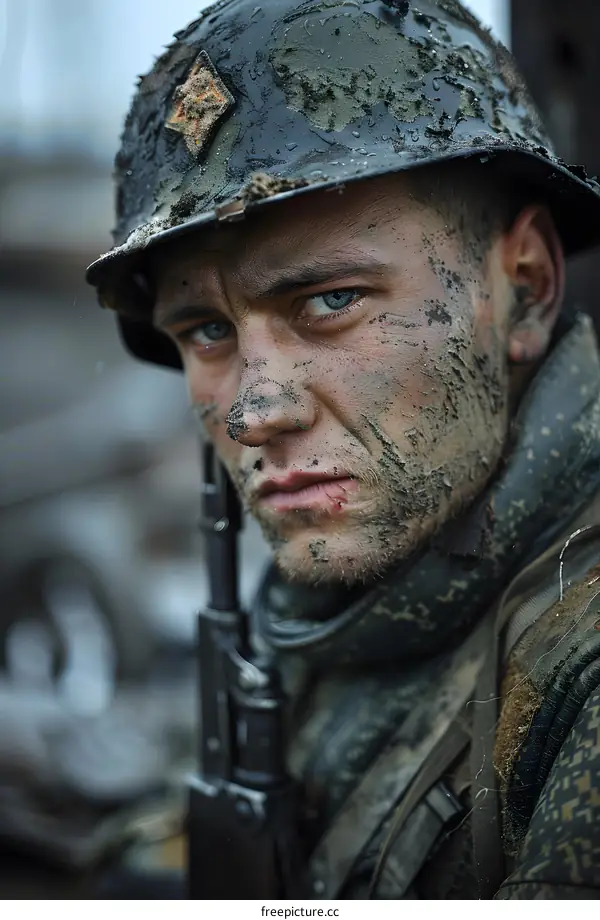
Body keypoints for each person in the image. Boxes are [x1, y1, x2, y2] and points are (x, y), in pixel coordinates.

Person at [87, 0, 600, 899]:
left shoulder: (579, 676)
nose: (252, 415)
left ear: (524, 285)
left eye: (330, 302)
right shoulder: (328, 608)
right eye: (206, 330)